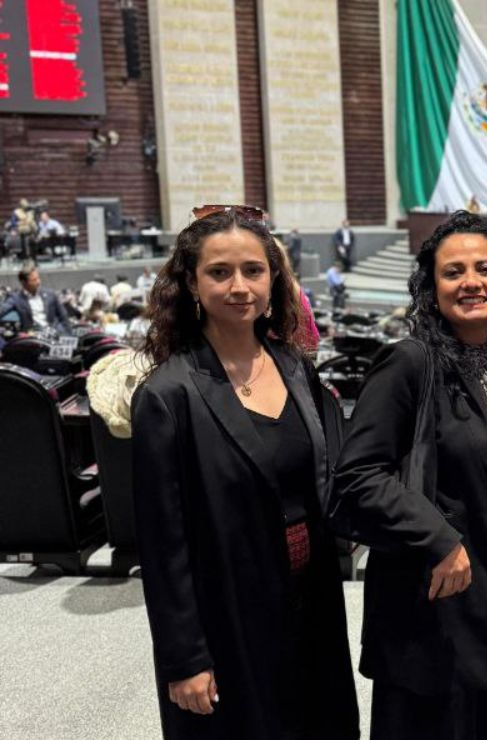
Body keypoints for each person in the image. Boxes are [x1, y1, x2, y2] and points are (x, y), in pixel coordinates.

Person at [130, 205, 359, 739]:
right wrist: (184, 659)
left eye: (254, 271)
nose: (240, 287)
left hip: (313, 602)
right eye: (219, 272)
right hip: (228, 614)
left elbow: (334, 477)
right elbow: (164, 549)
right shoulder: (167, 396)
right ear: (190, 282)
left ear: (274, 277)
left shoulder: (296, 367)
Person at [331, 211, 487, 738]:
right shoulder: (408, 362)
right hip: (429, 598)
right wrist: (439, 540)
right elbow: (357, 475)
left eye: (485, 269)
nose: (471, 282)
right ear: (432, 289)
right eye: (453, 272)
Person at [0, 264, 70, 332]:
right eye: (34, 280)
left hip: (54, 334)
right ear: (24, 282)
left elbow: (63, 316)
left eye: (38, 278)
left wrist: (66, 334)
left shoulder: (50, 294)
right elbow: (2, 310)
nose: (38, 282)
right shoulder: (16, 299)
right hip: (32, 338)